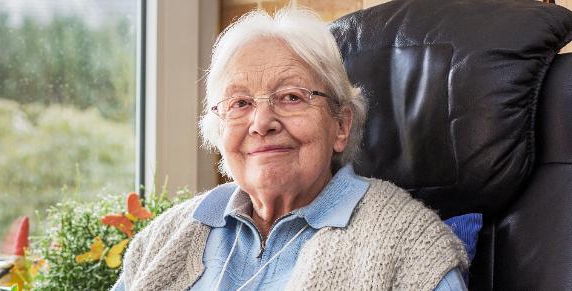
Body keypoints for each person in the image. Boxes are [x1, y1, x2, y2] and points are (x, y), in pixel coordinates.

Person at [113, 6, 467, 291]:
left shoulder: (408, 242)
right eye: (239, 103)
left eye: (292, 97)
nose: (261, 122)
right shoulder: (166, 238)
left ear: (341, 125)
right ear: (219, 132)